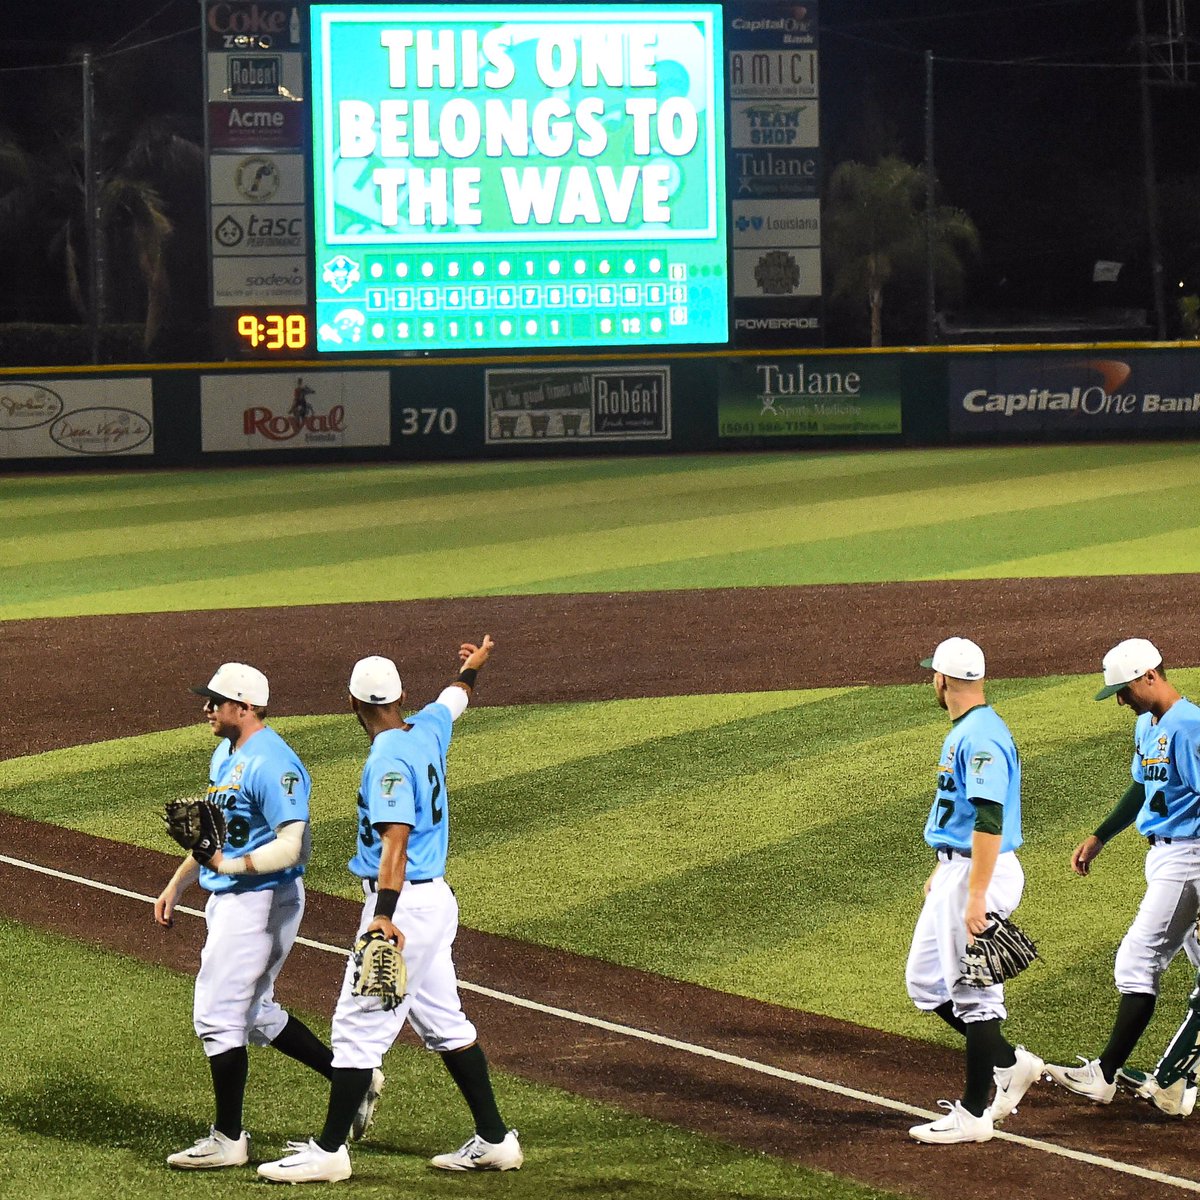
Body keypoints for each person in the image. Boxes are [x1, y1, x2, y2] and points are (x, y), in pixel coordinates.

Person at [257, 636, 522, 1184]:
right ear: (400, 696)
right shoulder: (424, 726)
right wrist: (472, 667)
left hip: (404, 910)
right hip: (432, 902)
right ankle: (496, 1141)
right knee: (446, 1024)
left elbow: (395, 841)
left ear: (353, 704)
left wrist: (383, 915)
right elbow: (455, 697)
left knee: (356, 1028)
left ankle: (329, 1152)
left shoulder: (387, 762)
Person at [155, 662, 344, 1170]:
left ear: (243, 706)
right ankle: (353, 1077)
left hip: (261, 901)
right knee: (253, 1012)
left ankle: (229, 1139)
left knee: (217, 1015)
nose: (206, 708)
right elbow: (217, 836)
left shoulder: (273, 763)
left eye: (215, 701)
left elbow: (292, 846)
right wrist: (179, 882)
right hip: (233, 896)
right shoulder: (226, 753)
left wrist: (228, 867)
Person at [1045, 638, 1200, 1109]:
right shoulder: (1147, 726)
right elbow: (1141, 786)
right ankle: (1179, 1087)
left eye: (1123, 688)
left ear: (1149, 676)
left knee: (1137, 960)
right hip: (1164, 857)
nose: (1119, 699)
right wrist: (1100, 835)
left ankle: (1104, 1074)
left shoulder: (1190, 727)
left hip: (1190, 857)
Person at [905, 637, 1043, 1145]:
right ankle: (1010, 1064)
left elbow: (989, 817)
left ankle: (974, 1115)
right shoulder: (967, 729)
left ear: (943, 680)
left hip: (978, 874)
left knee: (975, 997)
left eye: (932, 675)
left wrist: (975, 894)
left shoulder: (980, 736)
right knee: (925, 983)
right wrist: (943, 871)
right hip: (956, 870)